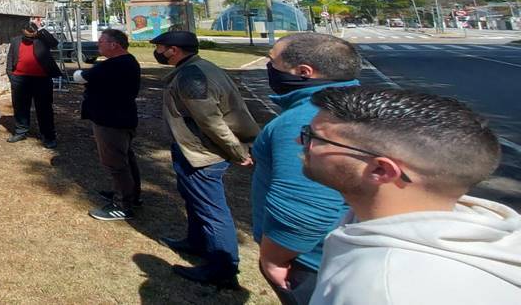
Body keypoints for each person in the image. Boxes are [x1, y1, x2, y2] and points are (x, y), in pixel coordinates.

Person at [305, 87, 520, 303]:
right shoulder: (487, 231)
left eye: (316, 139)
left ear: (381, 170)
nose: (300, 143)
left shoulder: (381, 289)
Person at [251, 33, 361, 304]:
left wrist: (274, 258)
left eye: (272, 61)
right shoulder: (356, 106)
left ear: (303, 72)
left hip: (310, 263)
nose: (269, 68)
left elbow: (306, 203)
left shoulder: (310, 120)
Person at [151, 30, 259, 289]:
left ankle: (223, 268)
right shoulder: (198, 67)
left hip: (202, 153)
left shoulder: (191, 76)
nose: (158, 52)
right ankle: (196, 242)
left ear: (174, 50)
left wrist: (238, 151)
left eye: (161, 47)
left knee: (211, 209)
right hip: (193, 150)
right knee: (194, 200)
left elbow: (211, 121)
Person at [76, 29, 143, 221]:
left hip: (111, 120)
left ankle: (123, 205)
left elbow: (81, 77)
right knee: (126, 159)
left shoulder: (116, 64)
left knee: (116, 163)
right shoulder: (127, 62)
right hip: (120, 118)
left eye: (101, 42)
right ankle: (132, 194)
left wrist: (85, 76)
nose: (99, 45)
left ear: (114, 44)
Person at [5, 22, 62, 148]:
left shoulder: (42, 39)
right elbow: (10, 58)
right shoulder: (15, 41)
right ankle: (21, 131)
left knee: (44, 109)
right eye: (27, 35)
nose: (29, 38)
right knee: (20, 107)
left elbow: (54, 44)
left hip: (42, 80)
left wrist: (41, 31)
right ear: (22, 31)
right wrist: (11, 75)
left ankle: (48, 136)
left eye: (32, 35)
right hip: (19, 79)